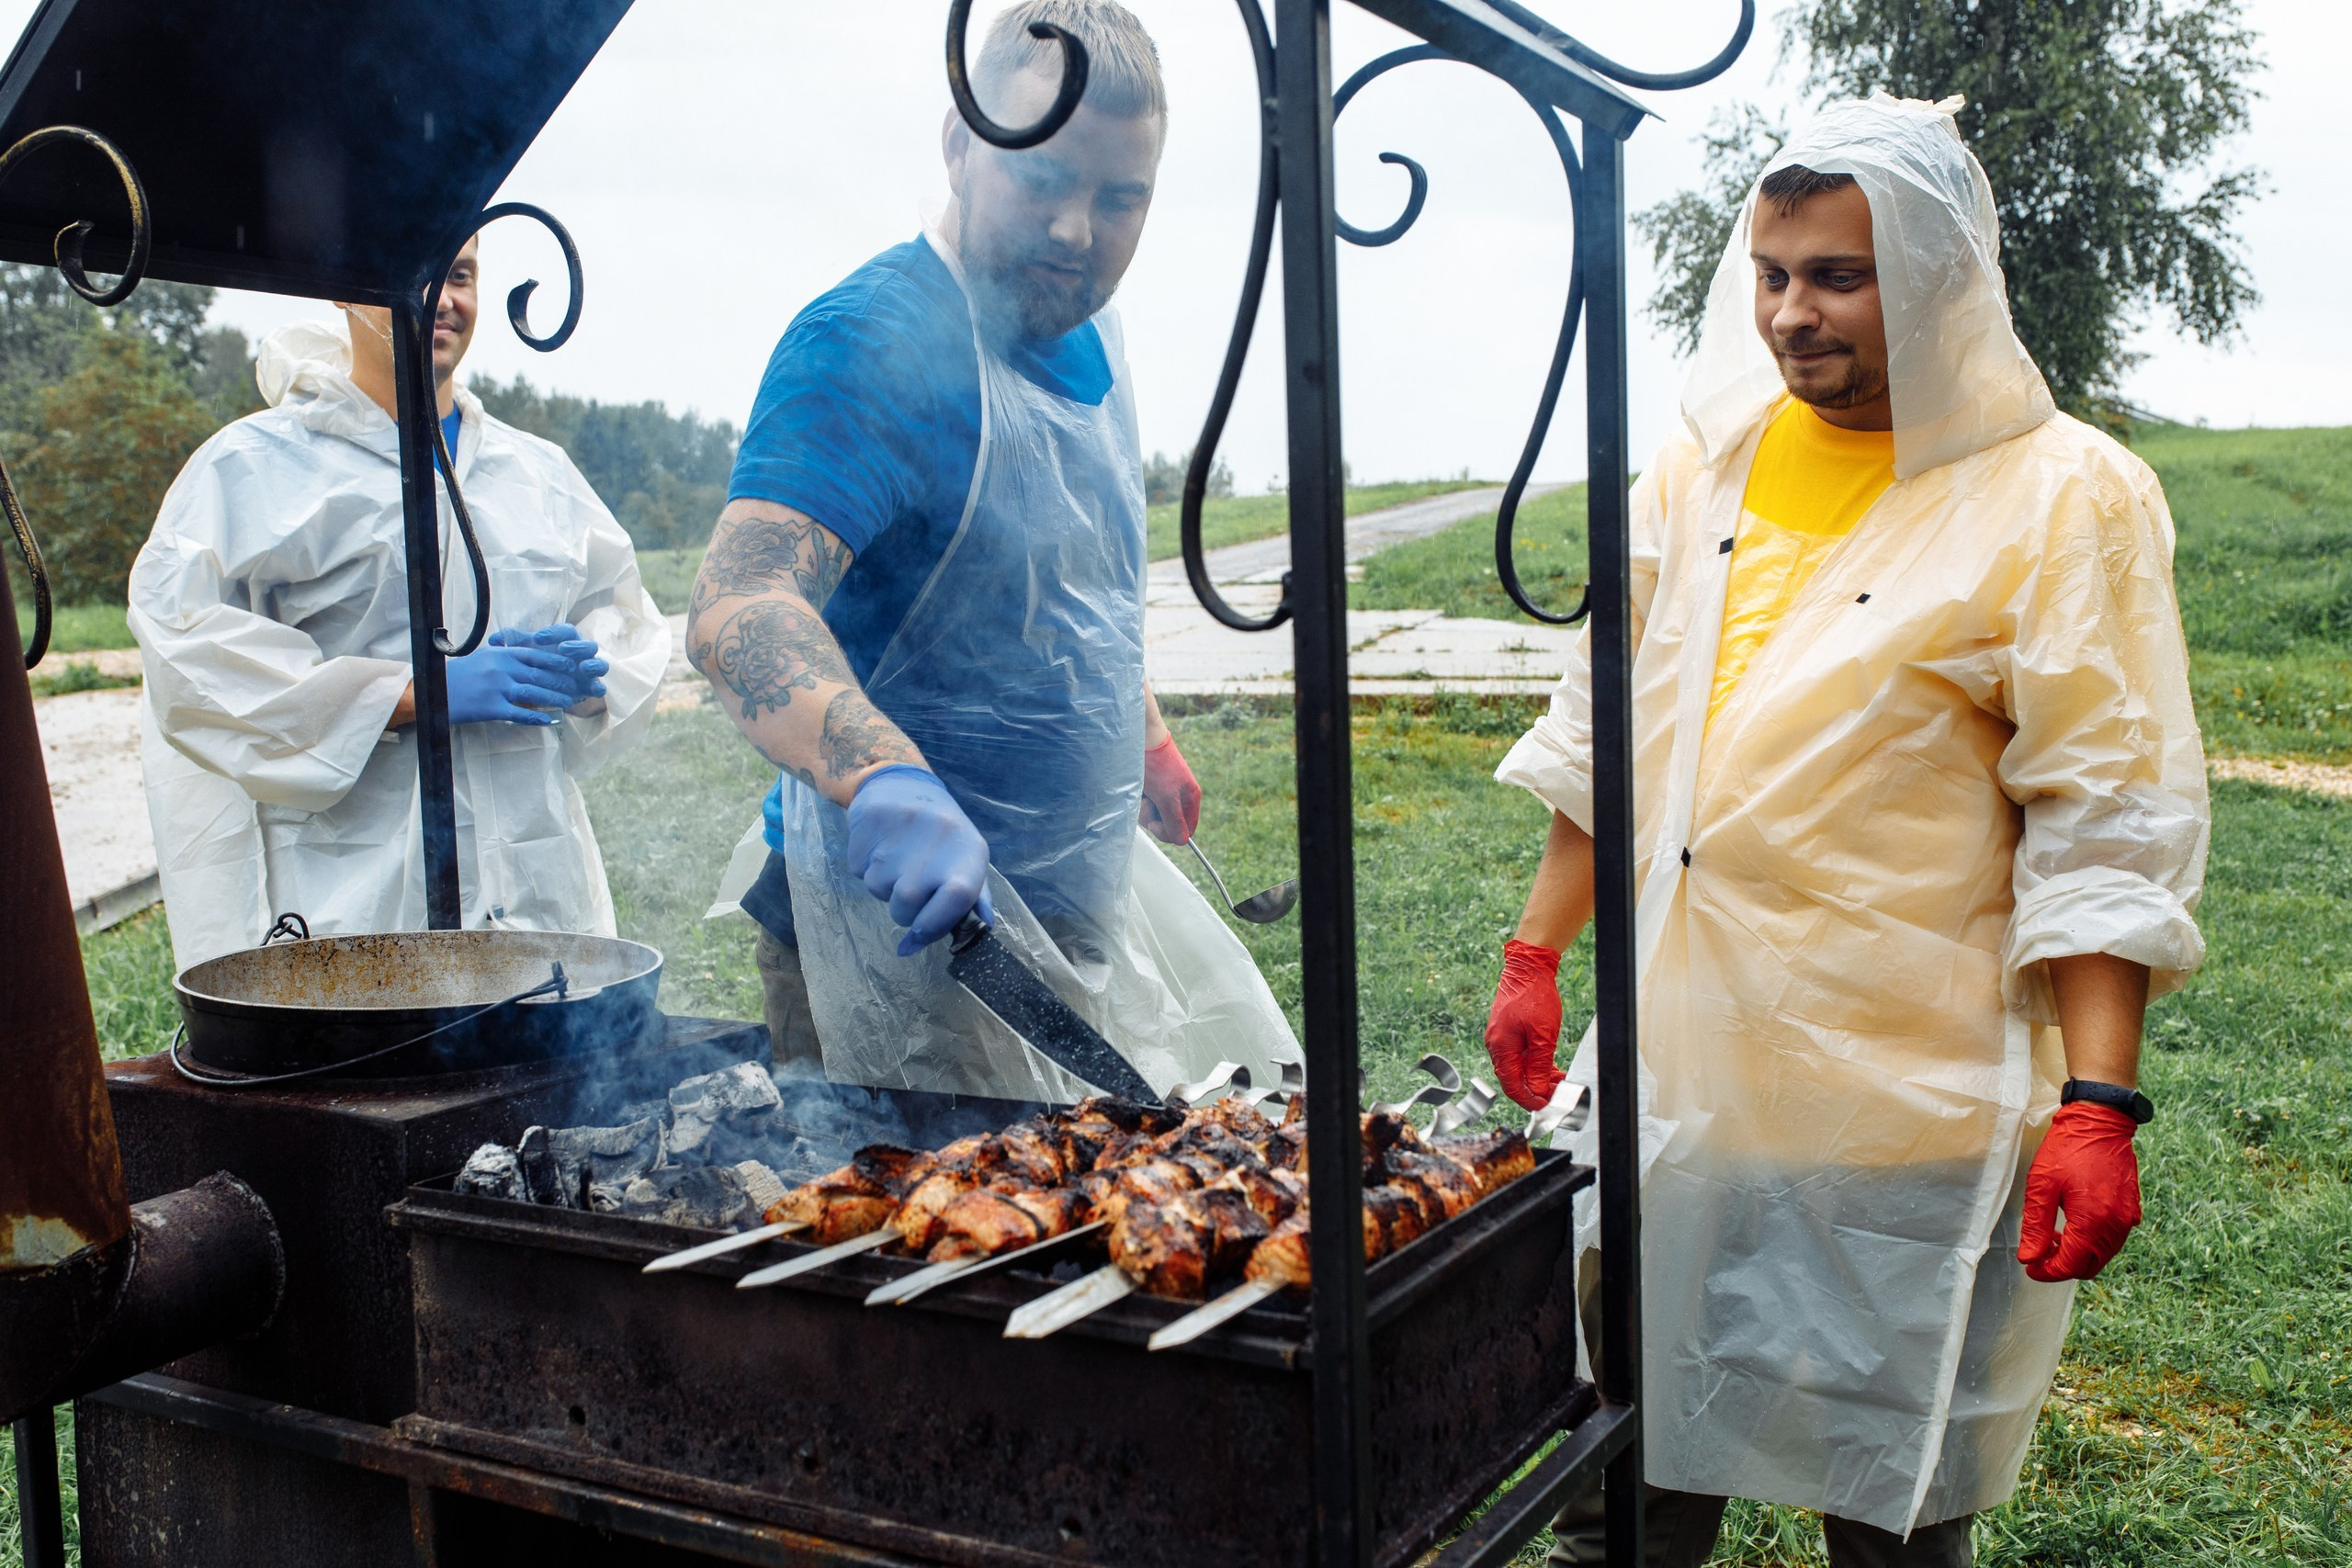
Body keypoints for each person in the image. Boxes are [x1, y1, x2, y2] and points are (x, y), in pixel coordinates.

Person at [1482, 96, 2208, 1566]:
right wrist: (1537, 945)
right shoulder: (1703, 465)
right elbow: (1611, 721)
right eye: (1769, 272)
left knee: (1886, 1493)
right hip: (1674, 1066)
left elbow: (2106, 813)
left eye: (1837, 276)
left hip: (1897, 1097)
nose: (1790, 316)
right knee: (1622, 1478)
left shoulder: (2065, 496)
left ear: (1938, 277)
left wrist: (2097, 1100)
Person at [695, 0, 1297, 1100]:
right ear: (962, 145)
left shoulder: (1086, 325)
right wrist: (882, 775)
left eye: (1119, 198)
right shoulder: (867, 344)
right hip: (902, 938)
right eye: (1042, 179)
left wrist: (1145, 734)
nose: (1076, 230)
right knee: (946, 1244)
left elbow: (1066, 582)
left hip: (1072, 906)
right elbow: (741, 605)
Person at [130, 235, 670, 972]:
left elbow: (628, 617)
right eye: (419, 272)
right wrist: (413, 694)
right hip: (354, 914)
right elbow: (189, 658)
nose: (446, 299)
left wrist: (587, 677)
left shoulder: (537, 474)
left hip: (539, 901)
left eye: (462, 274)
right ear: (341, 287)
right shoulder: (255, 470)